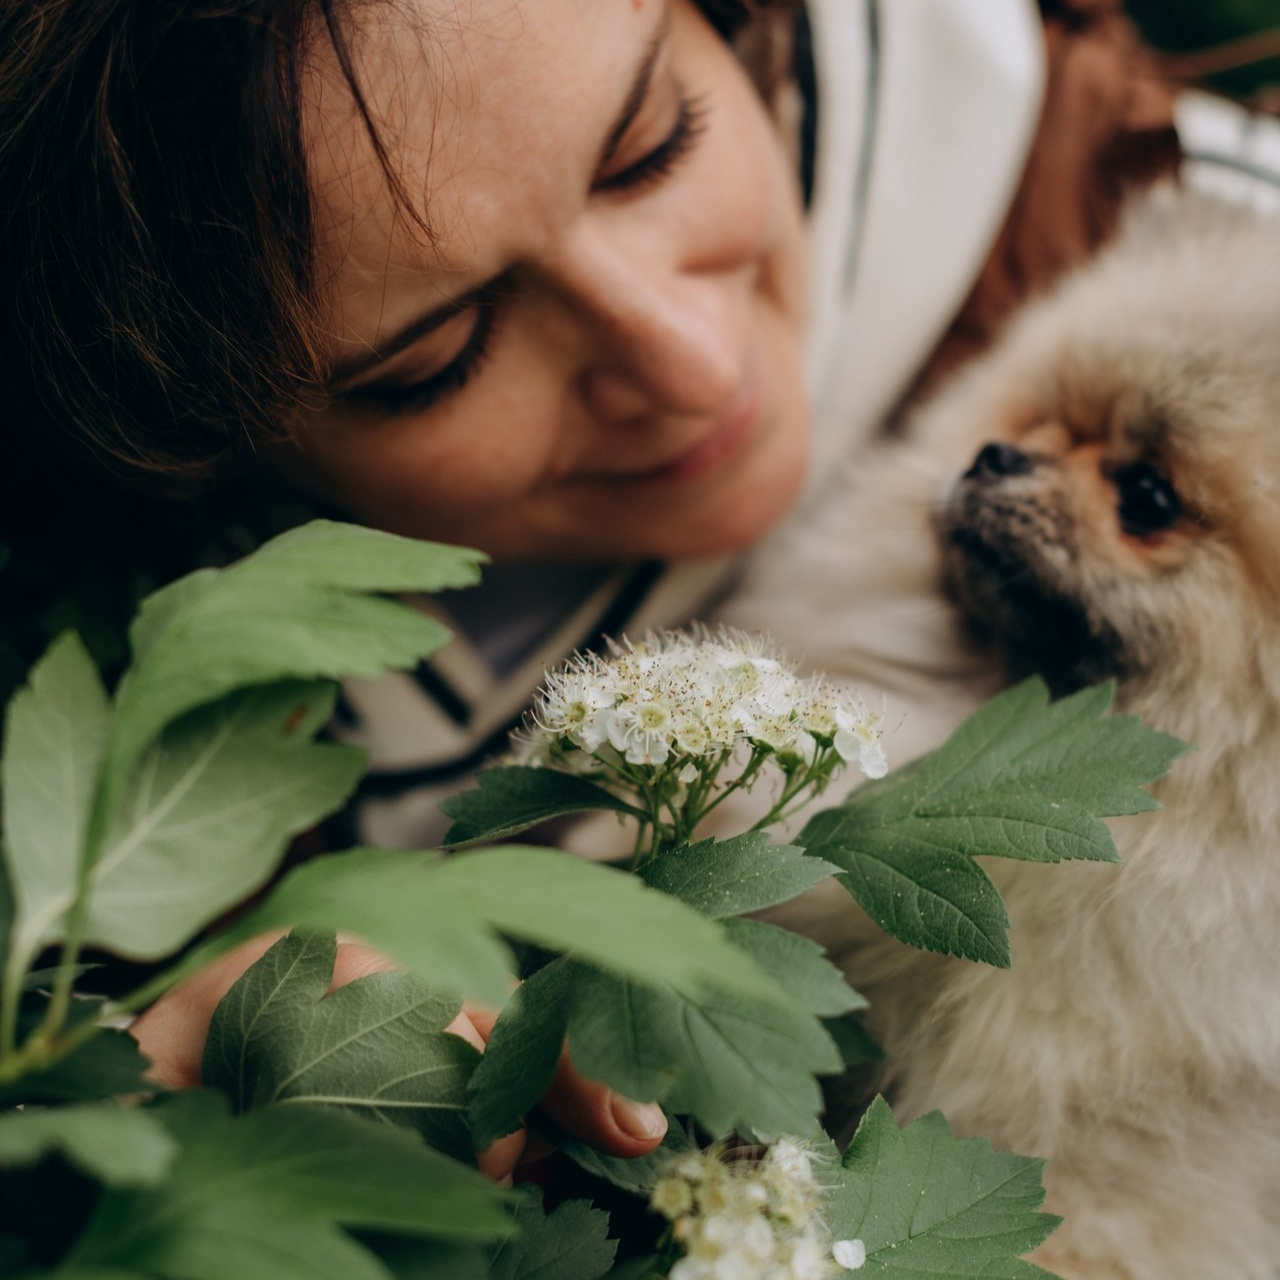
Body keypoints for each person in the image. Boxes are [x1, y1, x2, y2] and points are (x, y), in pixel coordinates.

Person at [4, 0, 1278, 1181]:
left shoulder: (1154, 208)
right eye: (440, 354)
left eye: (650, 148)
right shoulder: (229, 732)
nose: (687, 359)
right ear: (228, 453)